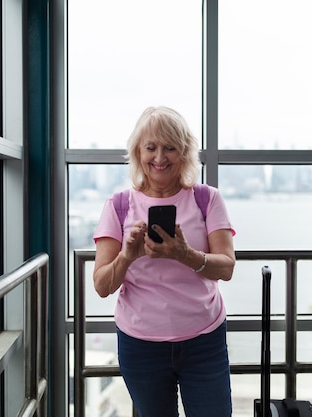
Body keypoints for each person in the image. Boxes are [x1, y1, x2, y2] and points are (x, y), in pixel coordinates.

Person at [92, 106, 236, 417]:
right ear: (137, 152)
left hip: (204, 340)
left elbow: (226, 267)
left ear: (184, 152)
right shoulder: (118, 205)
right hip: (141, 346)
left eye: (170, 147)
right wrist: (128, 255)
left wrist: (184, 254)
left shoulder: (207, 199)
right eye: (151, 147)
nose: (160, 157)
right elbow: (102, 285)